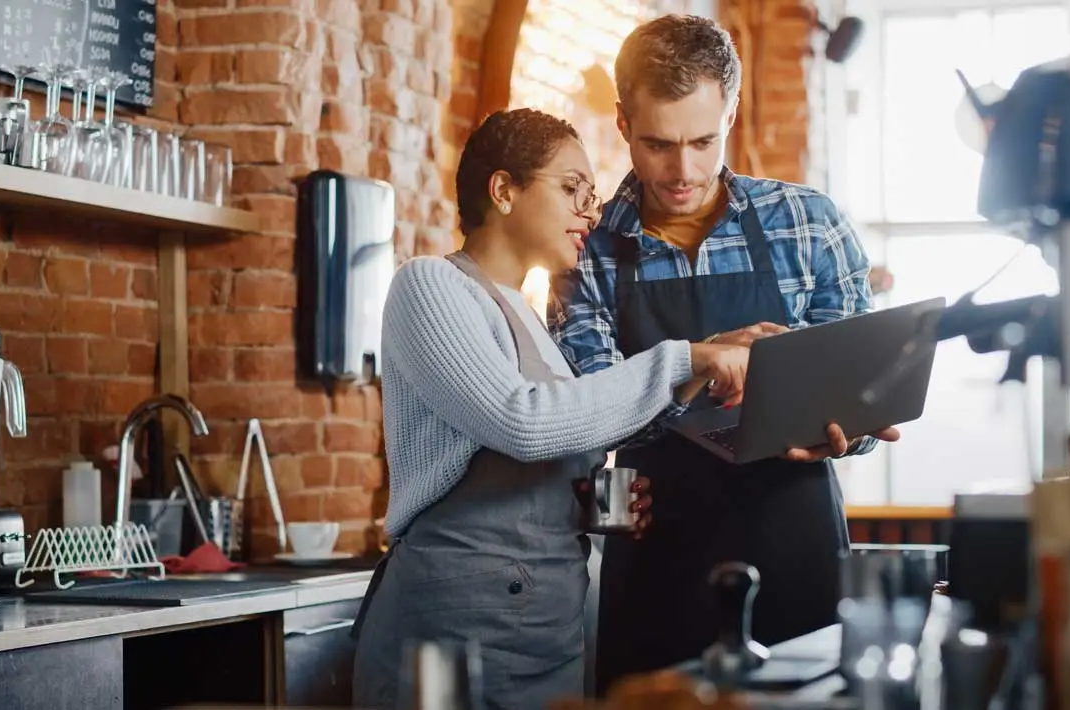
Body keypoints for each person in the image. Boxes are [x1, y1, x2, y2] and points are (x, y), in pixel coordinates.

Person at [350, 108, 752, 710]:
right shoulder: (429, 285)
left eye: (591, 195)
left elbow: (538, 446)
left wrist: (587, 504)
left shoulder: (531, 319)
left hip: (545, 634)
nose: (591, 212)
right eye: (572, 189)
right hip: (455, 632)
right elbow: (523, 421)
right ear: (504, 190)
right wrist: (684, 359)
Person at [548, 14, 902, 694]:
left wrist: (847, 428)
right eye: (658, 144)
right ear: (623, 123)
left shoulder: (809, 223)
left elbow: (860, 393)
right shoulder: (585, 251)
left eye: (703, 141)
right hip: (659, 556)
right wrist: (702, 362)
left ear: (731, 115)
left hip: (795, 539)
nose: (682, 170)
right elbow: (588, 413)